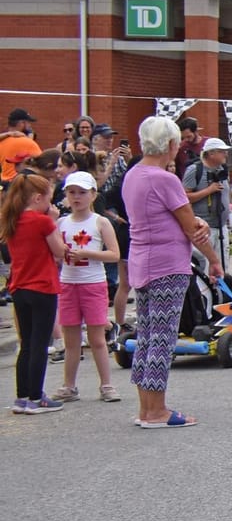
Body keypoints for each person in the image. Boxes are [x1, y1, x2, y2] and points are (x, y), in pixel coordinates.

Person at [124, 115, 217, 429]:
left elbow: (173, 218)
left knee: (148, 337)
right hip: (166, 265)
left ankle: (145, 408)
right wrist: (213, 260)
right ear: (171, 144)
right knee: (162, 339)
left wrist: (194, 225)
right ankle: (157, 411)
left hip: (142, 261)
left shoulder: (134, 174)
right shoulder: (164, 178)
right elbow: (190, 225)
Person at [51, 170, 119, 403]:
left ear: (93, 195)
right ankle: (69, 385)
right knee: (72, 340)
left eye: (82, 192)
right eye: (72, 192)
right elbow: (55, 252)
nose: (76, 197)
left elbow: (114, 254)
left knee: (97, 338)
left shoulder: (100, 222)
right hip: (68, 283)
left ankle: (107, 384)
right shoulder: (61, 222)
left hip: (93, 283)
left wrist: (88, 253)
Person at [3, 171, 65, 414]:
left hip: (19, 286)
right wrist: (54, 220)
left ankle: (22, 396)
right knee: (40, 343)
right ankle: (37, 397)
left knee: (27, 344)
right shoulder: (43, 221)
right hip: (42, 285)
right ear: (38, 198)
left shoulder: (11, 220)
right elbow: (58, 251)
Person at [183, 137, 232, 274]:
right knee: (204, 268)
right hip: (204, 227)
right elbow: (184, 198)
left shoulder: (222, 170)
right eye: (222, 152)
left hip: (221, 226)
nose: (226, 155)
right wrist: (208, 191)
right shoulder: (195, 170)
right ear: (211, 153)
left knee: (222, 267)